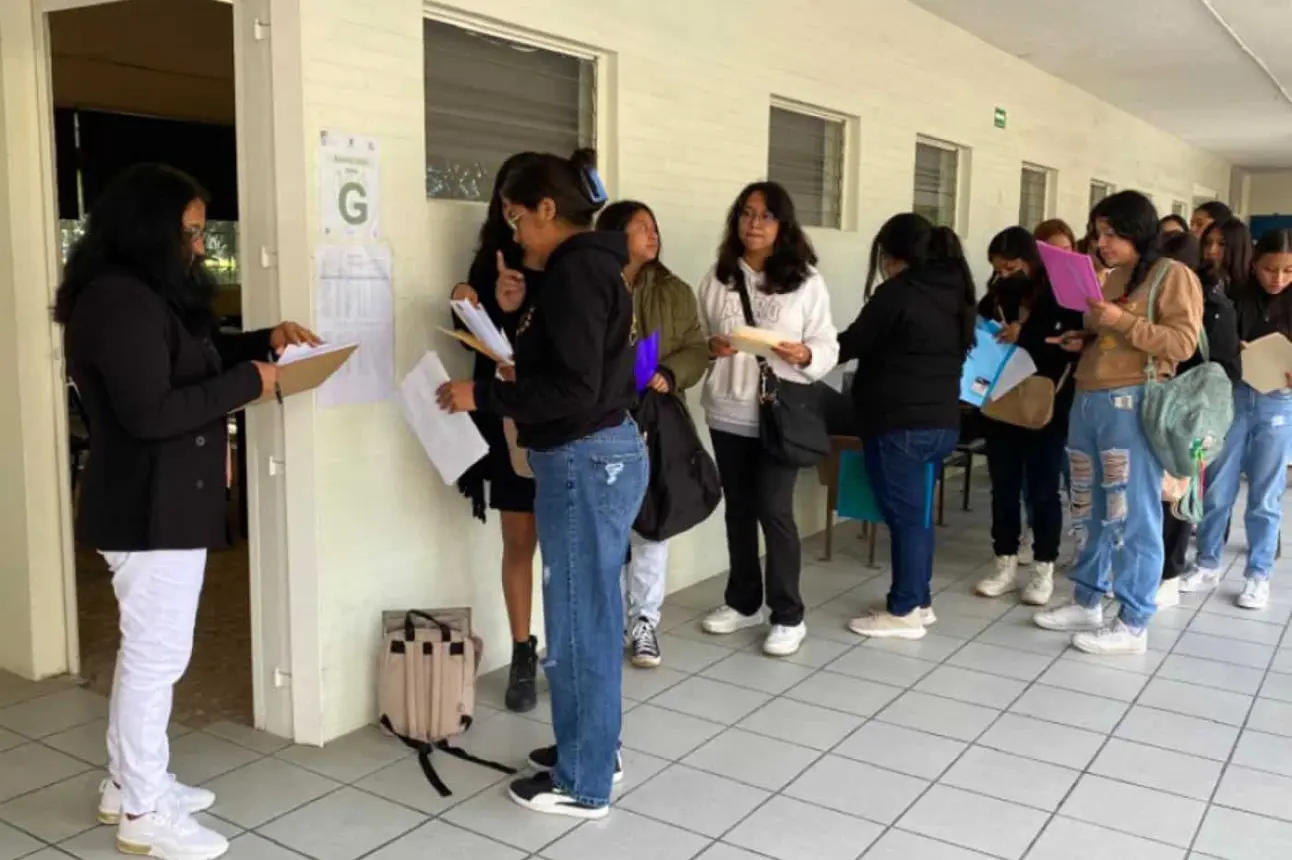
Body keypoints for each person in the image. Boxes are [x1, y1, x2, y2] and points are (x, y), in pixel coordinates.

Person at [56, 164, 317, 860]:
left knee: (148, 655)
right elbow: (151, 411)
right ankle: (143, 813)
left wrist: (264, 343)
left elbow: (187, 361)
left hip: (162, 502)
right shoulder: (117, 301)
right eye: (193, 232)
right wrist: (249, 384)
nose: (201, 247)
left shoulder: (142, 294)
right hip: (148, 506)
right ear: (151, 230)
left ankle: (128, 783)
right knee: (155, 659)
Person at [437, 149, 646, 819]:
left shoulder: (579, 273)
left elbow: (573, 388)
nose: (514, 232)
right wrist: (516, 314)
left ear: (548, 209)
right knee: (590, 614)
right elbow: (566, 365)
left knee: (579, 621)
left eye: (517, 217)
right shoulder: (574, 270)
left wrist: (485, 396)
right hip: (590, 456)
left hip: (586, 460)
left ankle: (583, 783)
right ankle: (591, 748)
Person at [1035, 191, 1203, 654]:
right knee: (1088, 506)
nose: (1101, 242)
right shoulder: (1113, 278)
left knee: (1132, 514)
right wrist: (1085, 337)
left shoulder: (1173, 274)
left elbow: (1181, 343)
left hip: (1133, 402)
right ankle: (1087, 599)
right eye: (1098, 232)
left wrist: (1120, 321)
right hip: (1089, 399)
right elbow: (1111, 334)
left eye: (1112, 232)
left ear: (1138, 231)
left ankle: (1133, 621)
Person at [697, 181, 839, 657]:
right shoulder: (716, 278)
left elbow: (827, 344)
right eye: (746, 213)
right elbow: (701, 339)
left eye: (765, 215)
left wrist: (805, 353)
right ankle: (743, 602)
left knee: (774, 511)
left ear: (783, 225)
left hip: (780, 413)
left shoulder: (805, 281)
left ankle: (787, 614)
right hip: (727, 410)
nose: (754, 223)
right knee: (737, 508)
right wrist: (711, 348)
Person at [837, 213, 974, 639]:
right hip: (941, 423)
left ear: (893, 254)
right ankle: (921, 600)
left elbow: (850, 344)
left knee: (907, 521)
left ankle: (904, 610)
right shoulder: (953, 291)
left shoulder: (898, 293)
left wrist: (803, 350)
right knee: (918, 517)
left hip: (900, 424)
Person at [449, 152, 545, 713]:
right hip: (505, 416)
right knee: (518, 541)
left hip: (557, 421)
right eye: (507, 202)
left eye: (524, 202)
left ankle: (565, 652)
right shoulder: (494, 257)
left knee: (564, 548)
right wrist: (469, 298)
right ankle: (522, 650)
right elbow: (482, 335)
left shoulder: (565, 263)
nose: (516, 214)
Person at [594, 200, 708, 668]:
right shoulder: (595, 284)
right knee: (609, 524)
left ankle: (645, 622)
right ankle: (610, 620)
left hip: (656, 416)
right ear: (615, 235)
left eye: (653, 226)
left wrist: (669, 371)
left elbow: (696, 348)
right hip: (603, 416)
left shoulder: (675, 290)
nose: (651, 233)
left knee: (652, 520)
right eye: (640, 227)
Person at [973, 228, 1083, 607]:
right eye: (999, 270)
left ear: (1031, 260)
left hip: (1047, 405)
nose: (1004, 275)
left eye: (1011, 266)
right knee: (1003, 487)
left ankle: (1043, 568)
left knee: (1043, 491)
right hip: (1002, 401)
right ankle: (1004, 563)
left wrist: (1027, 334)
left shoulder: (1061, 296)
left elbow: (1070, 346)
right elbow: (978, 332)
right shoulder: (995, 298)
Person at [1183, 229, 1292, 609]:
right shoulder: (1236, 297)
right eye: (1269, 269)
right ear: (1254, 264)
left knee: (1265, 493)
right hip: (1233, 397)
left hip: (1278, 402)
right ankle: (1207, 562)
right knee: (1218, 486)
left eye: (1287, 271)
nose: (1277, 278)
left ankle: (1258, 574)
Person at [1155, 229, 1239, 605]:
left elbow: (1225, 371)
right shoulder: (1151, 300)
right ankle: (1145, 567)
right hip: (1151, 407)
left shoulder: (1215, 307)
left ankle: (1168, 574)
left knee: (1176, 494)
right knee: (1147, 495)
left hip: (1186, 415)